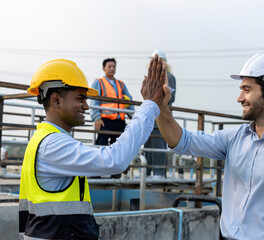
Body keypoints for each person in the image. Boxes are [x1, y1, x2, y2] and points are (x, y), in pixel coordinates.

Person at [156, 52, 264, 239]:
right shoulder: (234, 139)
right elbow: (182, 141)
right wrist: (160, 107)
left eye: (247, 89)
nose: (239, 98)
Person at [19, 56, 170, 239]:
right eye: (81, 99)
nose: (86, 106)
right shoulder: (52, 145)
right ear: (56, 100)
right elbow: (115, 160)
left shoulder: (43, 140)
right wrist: (150, 105)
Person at [145, 50, 176, 178]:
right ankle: (145, 173)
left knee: (159, 147)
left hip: (161, 117)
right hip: (149, 116)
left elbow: (171, 98)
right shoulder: (149, 77)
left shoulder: (169, 77)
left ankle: (159, 174)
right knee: (147, 147)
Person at [90, 58, 135, 146]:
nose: (112, 69)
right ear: (104, 68)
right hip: (105, 121)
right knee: (101, 145)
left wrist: (132, 114)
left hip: (119, 121)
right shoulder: (98, 82)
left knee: (119, 146)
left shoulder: (121, 84)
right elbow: (94, 101)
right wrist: (97, 118)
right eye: (109, 66)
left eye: (114, 67)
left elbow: (129, 100)